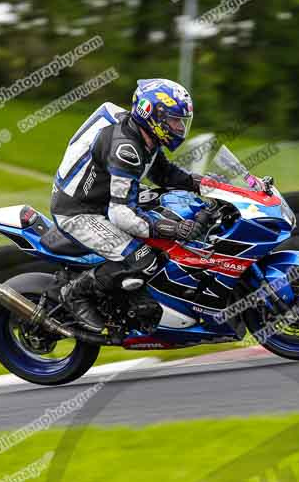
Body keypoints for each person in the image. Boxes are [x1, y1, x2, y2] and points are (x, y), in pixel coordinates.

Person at [50, 79, 207, 332]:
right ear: (152, 115)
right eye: (175, 120)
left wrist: (204, 183)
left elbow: (163, 174)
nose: (179, 127)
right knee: (144, 259)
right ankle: (75, 294)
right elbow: (121, 214)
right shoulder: (126, 148)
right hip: (80, 211)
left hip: (103, 201)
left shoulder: (146, 137)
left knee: (166, 216)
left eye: (181, 121)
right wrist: (173, 230)